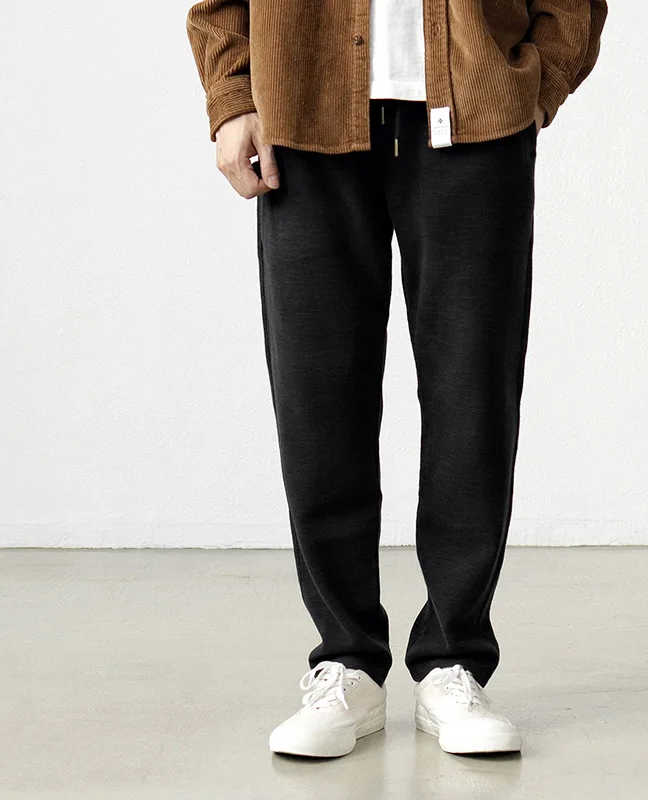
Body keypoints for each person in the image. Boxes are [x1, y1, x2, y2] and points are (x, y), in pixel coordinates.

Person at [186, 0, 607, 758]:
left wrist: (532, 83)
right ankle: (346, 662)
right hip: (303, 108)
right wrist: (232, 95)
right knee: (317, 396)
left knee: (472, 394)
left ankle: (453, 661)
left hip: (474, 113)